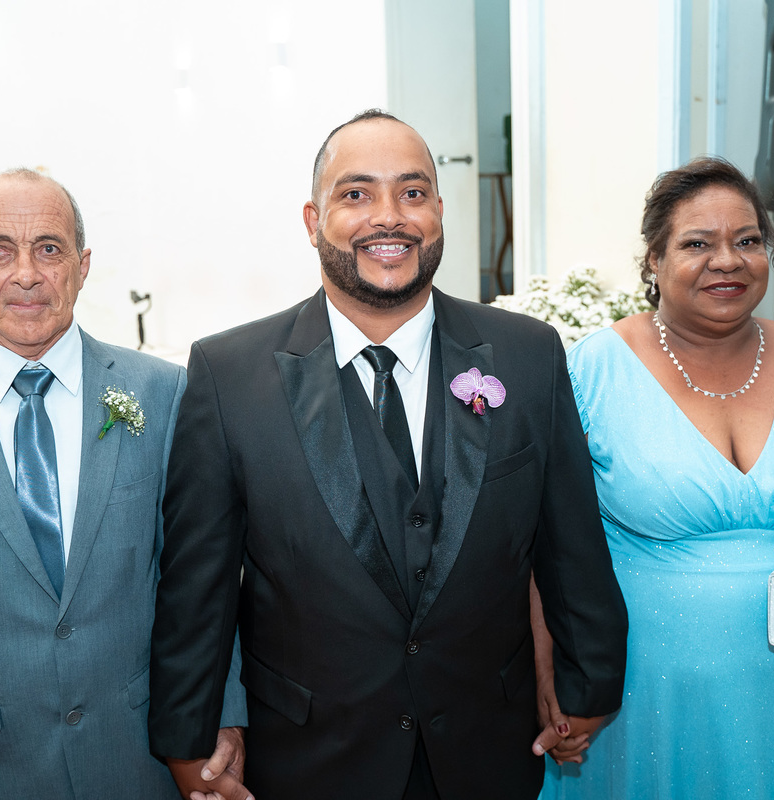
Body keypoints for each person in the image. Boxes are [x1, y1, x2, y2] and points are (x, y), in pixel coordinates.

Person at [148, 109, 629, 800]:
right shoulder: (229, 374)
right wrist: (191, 736)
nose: (389, 217)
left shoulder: (528, 355)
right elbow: (198, 585)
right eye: (356, 194)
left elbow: (570, 542)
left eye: (412, 192)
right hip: (311, 755)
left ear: (438, 210)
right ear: (313, 221)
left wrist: (591, 681)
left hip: (487, 747)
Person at [0, 169, 244, 800]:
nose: (27, 275)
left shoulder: (162, 393)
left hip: (140, 756)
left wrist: (223, 712)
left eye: (50, 248)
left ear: (82, 266)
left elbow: (200, 583)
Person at [537, 157, 774, 799]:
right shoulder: (593, 370)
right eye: (697, 243)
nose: (728, 260)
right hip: (638, 687)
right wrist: (552, 677)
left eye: (747, 240)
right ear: (653, 261)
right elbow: (546, 541)